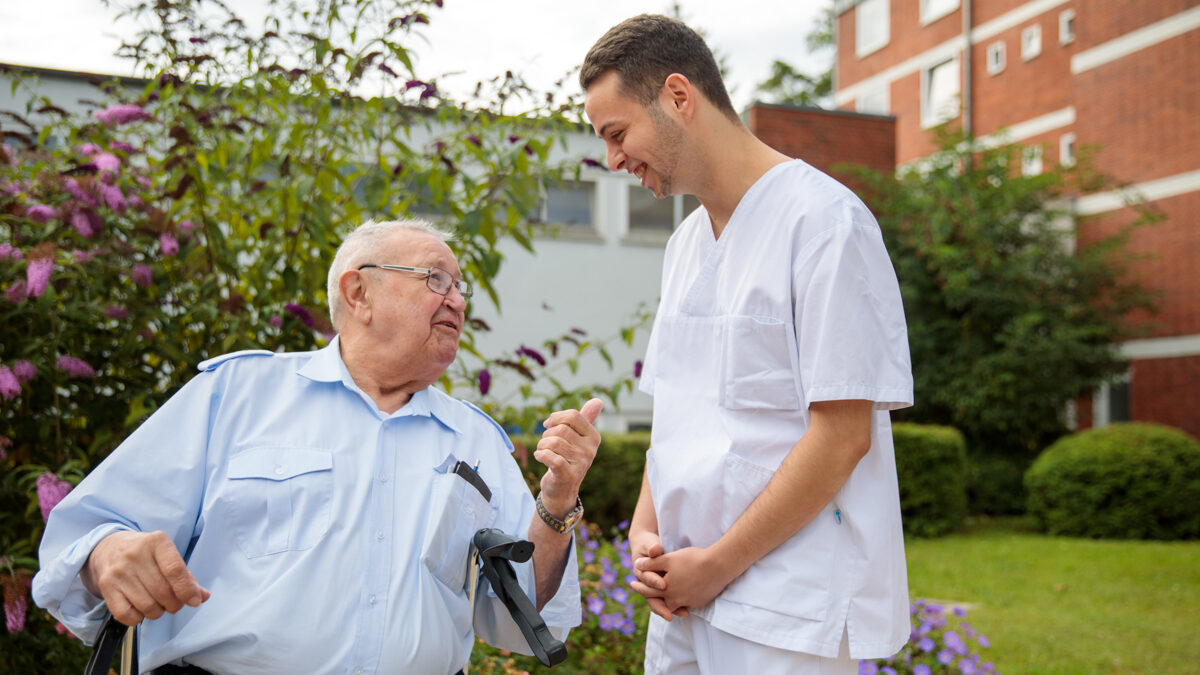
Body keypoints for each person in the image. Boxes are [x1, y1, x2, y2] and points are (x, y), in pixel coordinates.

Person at [33, 219, 602, 674]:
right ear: (359, 292)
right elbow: (82, 534)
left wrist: (555, 505)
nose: (456, 301)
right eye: (435, 279)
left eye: (460, 287)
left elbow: (518, 613)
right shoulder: (236, 394)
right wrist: (107, 554)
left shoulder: (475, 439)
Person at [580, 14, 915, 675]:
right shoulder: (683, 246)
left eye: (617, 134)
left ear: (679, 97)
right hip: (681, 600)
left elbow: (844, 435)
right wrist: (645, 533)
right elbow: (675, 416)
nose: (613, 160)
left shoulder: (825, 223)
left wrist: (716, 566)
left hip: (786, 611)